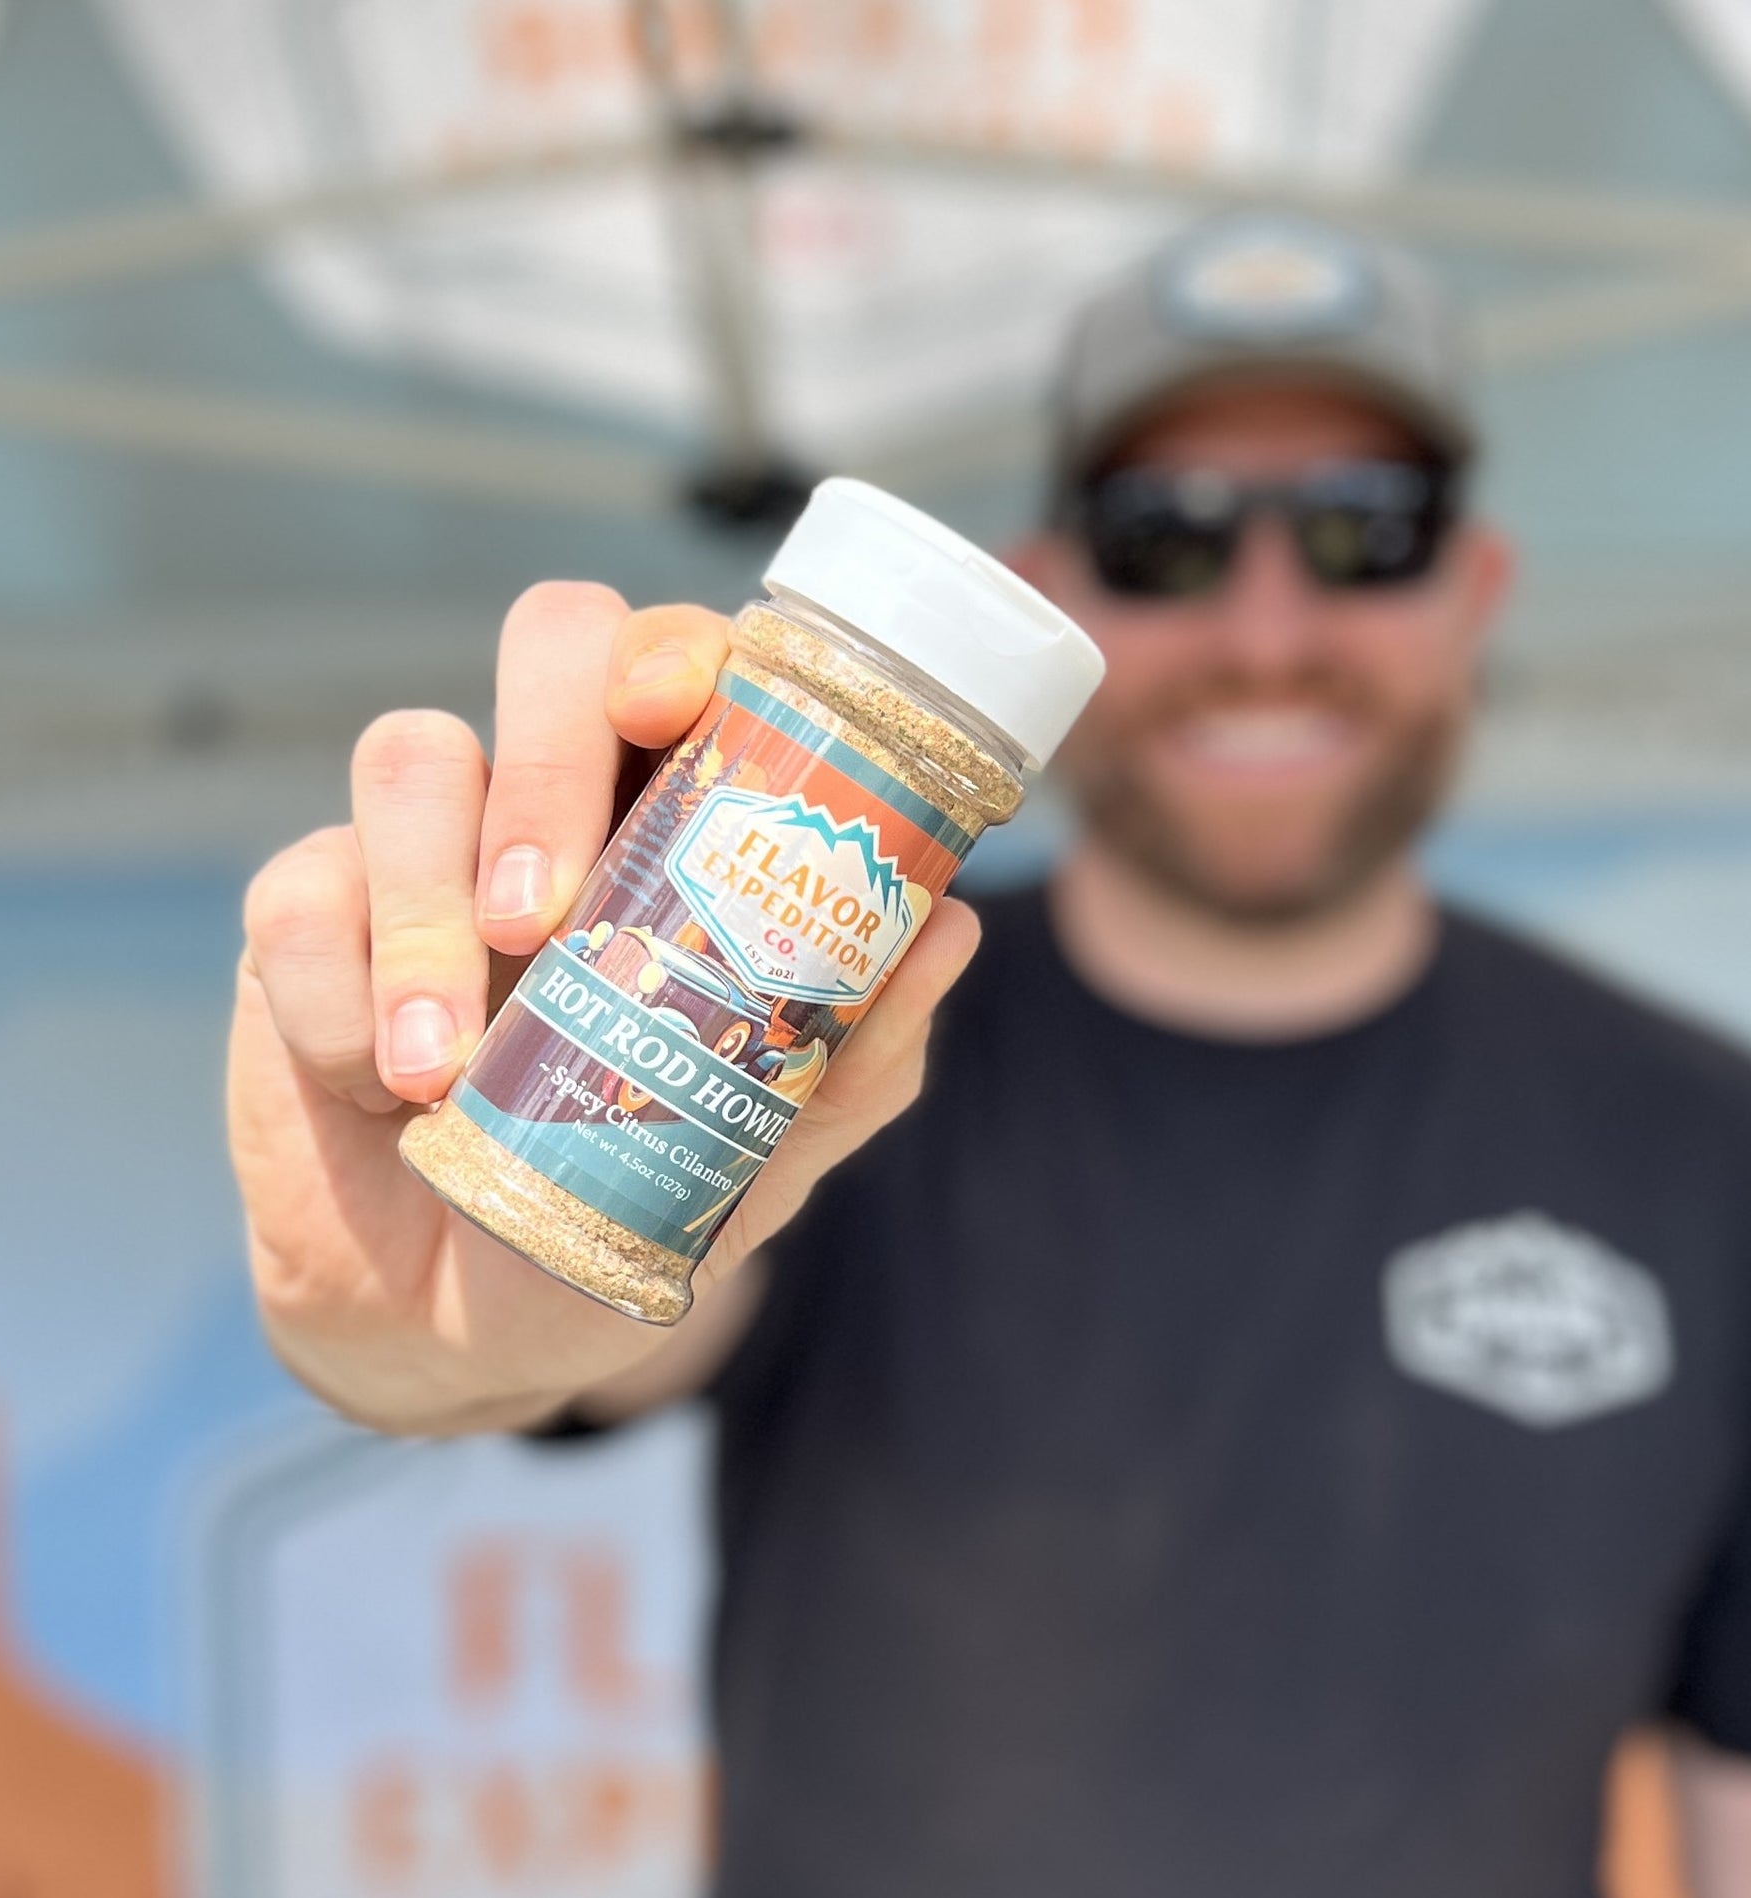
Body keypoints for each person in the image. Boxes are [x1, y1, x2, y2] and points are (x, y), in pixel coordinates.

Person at [227, 212, 1751, 1895]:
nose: (1263, 627)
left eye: (1359, 533)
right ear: (1048, 597)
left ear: (1475, 587)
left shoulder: (1708, 1141)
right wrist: (417, 1306)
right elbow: (512, 1350)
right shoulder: (825, 1028)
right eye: (1166, 537)